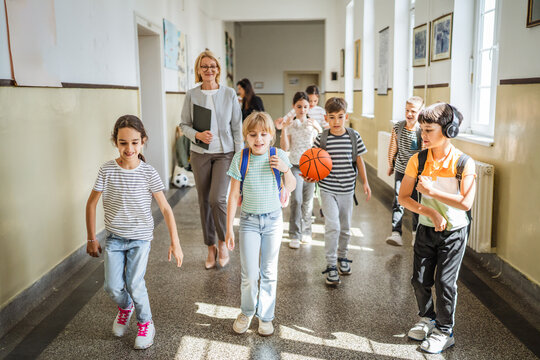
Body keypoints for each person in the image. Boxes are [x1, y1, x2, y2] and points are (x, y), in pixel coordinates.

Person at [85, 115, 184, 350]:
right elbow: (90, 204)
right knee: (112, 286)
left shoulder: (148, 173)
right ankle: (126, 306)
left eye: (134, 142)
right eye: (123, 142)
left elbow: (166, 209)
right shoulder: (107, 170)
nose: (129, 148)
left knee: (135, 282)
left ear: (143, 141)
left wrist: (175, 242)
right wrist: (91, 238)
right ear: (115, 142)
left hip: (140, 238)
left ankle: (146, 323)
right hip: (115, 238)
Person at [398, 103, 476, 354]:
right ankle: (428, 318)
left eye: (429, 129)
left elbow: (466, 203)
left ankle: (445, 330)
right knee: (419, 280)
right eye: (422, 129)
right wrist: (430, 211)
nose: (423, 134)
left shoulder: (464, 163)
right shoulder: (417, 160)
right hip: (426, 229)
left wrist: (433, 192)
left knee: (444, 282)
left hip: (454, 233)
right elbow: (404, 197)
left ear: (449, 130)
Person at [225, 112, 296, 336]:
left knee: (269, 271)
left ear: (271, 136)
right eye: (253, 134)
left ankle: (266, 317)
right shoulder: (241, 158)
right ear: (246, 137)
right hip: (248, 222)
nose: (259, 139)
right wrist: (228, 228)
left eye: (264, 134)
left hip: (274, 221)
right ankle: (247, 312)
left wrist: (285, 170)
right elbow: (232, 195)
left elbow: (291, 184)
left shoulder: (279, 155)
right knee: (250, 274)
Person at [180, 50, 243, 269]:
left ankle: (223, 241)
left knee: (218, 199)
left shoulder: (229, 93)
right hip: (200, 154)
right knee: (204, 201)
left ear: (218, 69)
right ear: (198, 70)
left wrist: (240, 156)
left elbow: (237, 127)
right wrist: (196, 135)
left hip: (225, 153)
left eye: (213, 66)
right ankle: (210, 246)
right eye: (204, 66)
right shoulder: (192, 95)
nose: (209, 70)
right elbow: (184, 125)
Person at [308, 97, 371, 286]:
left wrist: (365, 183)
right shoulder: (322, 138)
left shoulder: (354, 136)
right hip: (327, 189)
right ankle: (330, 265)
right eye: (332, 117)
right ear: (326, 118)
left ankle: (342, 257)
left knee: (345, 228)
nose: (336, 121)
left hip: (347, 190)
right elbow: (312, 161)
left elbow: (359, 160)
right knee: (332, 226)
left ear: (346, 116)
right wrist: (309, 175)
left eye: (340, 117)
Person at [280, 91, 322, 249]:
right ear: (294, 107)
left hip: (310, 166)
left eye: (305, 106)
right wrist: (284, 129)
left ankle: (306, 232)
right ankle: (294, 234)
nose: (302, 110)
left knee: (308, 202)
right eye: (299, 106)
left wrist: (318, 128)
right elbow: (285, 147)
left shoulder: (313, 123)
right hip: (295, 166)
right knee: (296, 200)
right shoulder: (290, 124)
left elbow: (321, 143)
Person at [386, 96, 425, 246]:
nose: (409, 114)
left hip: (416, 174)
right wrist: (390, 164)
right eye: (407, 110)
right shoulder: (398, 127)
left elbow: (424, 152)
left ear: (421, 112)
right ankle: (396, 233)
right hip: (401, 170)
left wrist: (423, 173)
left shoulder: (422, 130)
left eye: (413, 111)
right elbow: (393, 147)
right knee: (398, 200)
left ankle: (416, 233)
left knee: (415, 203)